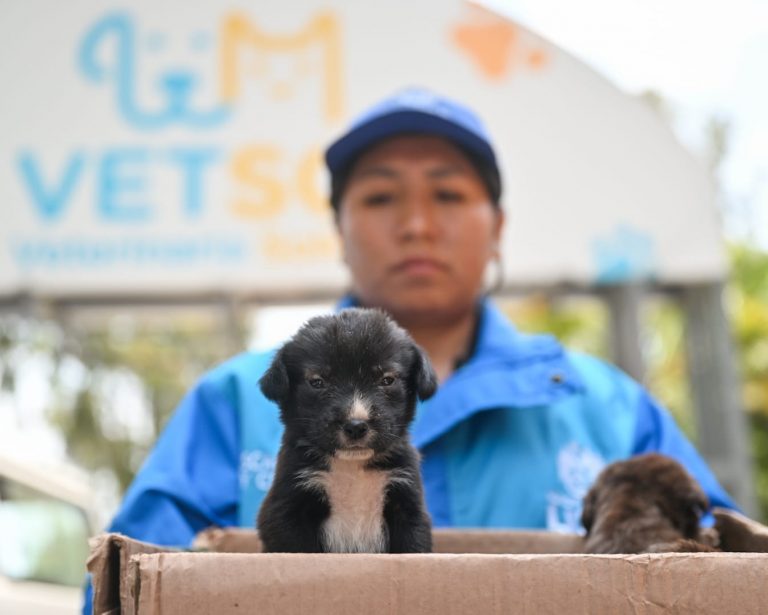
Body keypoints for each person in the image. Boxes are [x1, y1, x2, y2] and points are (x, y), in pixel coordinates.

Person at [82, 87, 737, 612]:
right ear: (340, 229)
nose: (417, 223)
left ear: (498, 227)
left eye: (449, 193)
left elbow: (723, 567)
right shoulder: (234, 399)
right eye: (380, 195)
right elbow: (129, 585)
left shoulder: (610, 408)